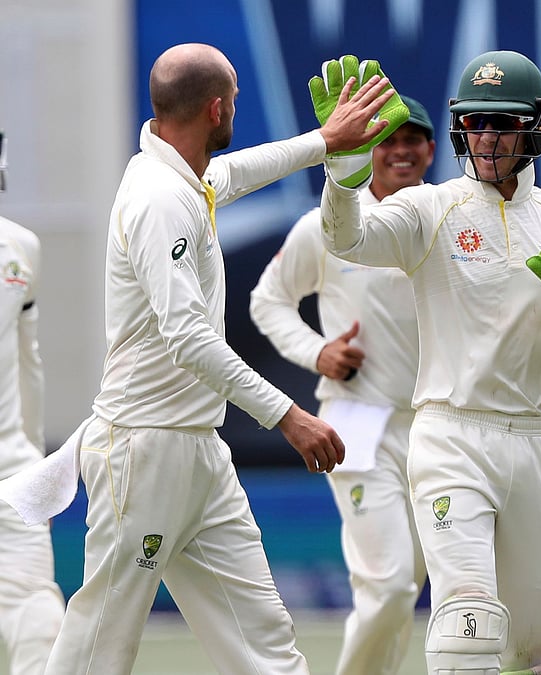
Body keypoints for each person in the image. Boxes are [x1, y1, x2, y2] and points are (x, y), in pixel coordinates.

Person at [39, 42, 402, 674]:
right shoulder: (159, 199)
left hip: (199, 454)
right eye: (232, 100)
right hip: (142, 451)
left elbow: (240, 172)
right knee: (99, 645)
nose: (235, 110)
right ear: (215, 109)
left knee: (264, 640)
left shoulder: (183, 176)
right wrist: (287, 414)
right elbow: (189, 337)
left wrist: (326, 140)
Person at [311, 50, 541, 675]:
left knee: (523, 652)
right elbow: (345, 238)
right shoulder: (432, 209)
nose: (486, 137)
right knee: (466, 624)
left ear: (535, 128)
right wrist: (343, 173)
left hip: (539, 443)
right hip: (452, 435)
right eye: (476, 122)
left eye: (502, 124)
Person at [248, 93, 436, 674]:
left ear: (431, 150)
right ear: (369, 149)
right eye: (389, 140)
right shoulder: (328, 225)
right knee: (387, 587)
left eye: (413, 140)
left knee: (406, 588)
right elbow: (268, 301)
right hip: (359, 419)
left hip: (437, 427)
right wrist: (318, 351)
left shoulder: (447, 220)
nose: (401, 151)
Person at [0, 130, 67, 674]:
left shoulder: (20, 248)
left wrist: (34, 462)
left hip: (11, 473)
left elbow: (30, 364)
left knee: (39, 616)